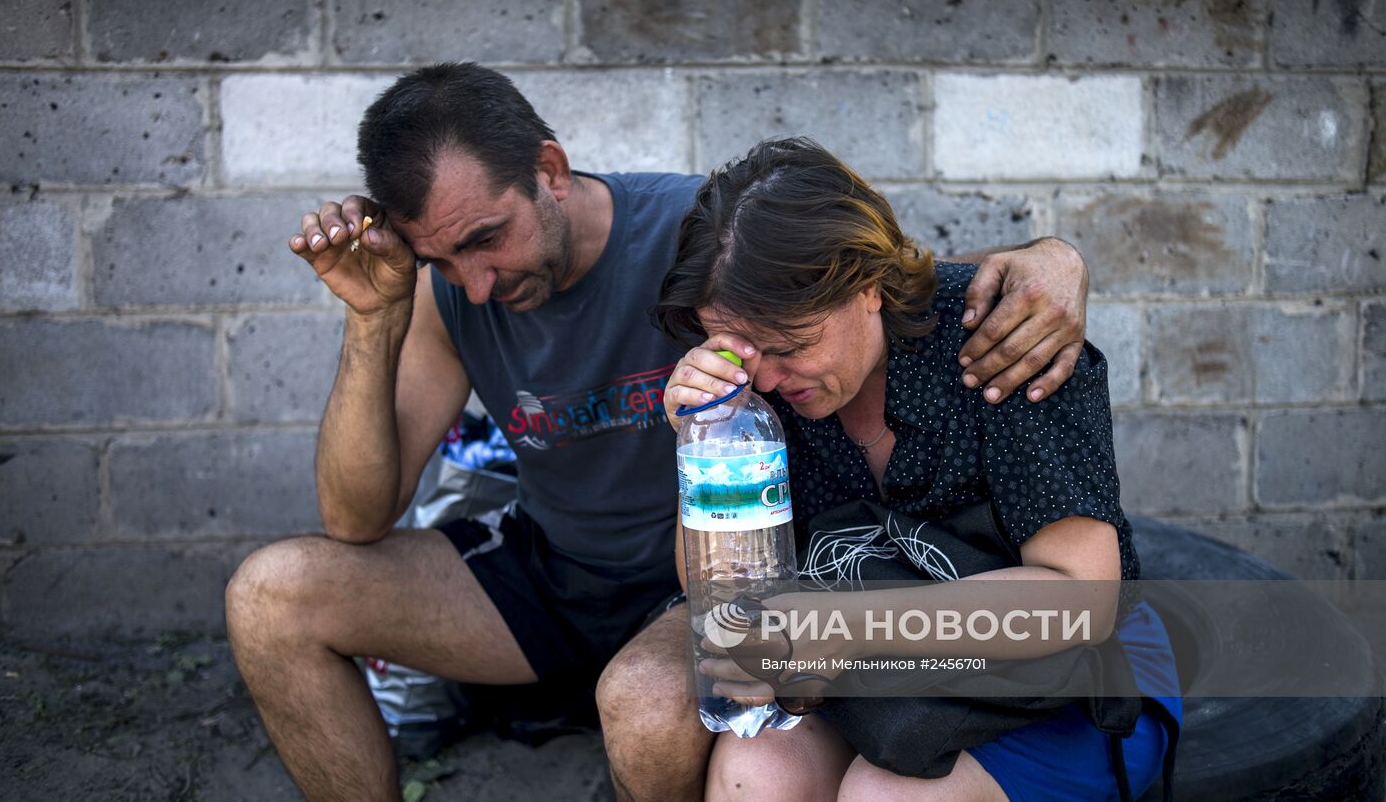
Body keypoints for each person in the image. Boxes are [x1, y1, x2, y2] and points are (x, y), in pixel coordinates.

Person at [223, 63, 1097, 802]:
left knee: (666, 704)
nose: (475, 283)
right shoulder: (450, 293)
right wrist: (377, 316)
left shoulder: (695, 237)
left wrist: (1052, 259)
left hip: (703, 586)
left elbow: (857, 280)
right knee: (271, 594)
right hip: (568, 569)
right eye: (440, 260)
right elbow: (354, 516)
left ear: (550, 171)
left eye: (487, 238)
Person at [620, 137, 1182, 801]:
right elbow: (713, 591)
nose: (766, 378)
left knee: (883, 796)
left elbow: (1081, 598)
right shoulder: (758, 396)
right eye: (742, 354)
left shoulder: (1002, 339)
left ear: (867, 287)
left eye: (790, 347)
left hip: (1066, 685)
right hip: (887, 680)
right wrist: (705, 446)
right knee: (759, 770)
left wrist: (847, 627)